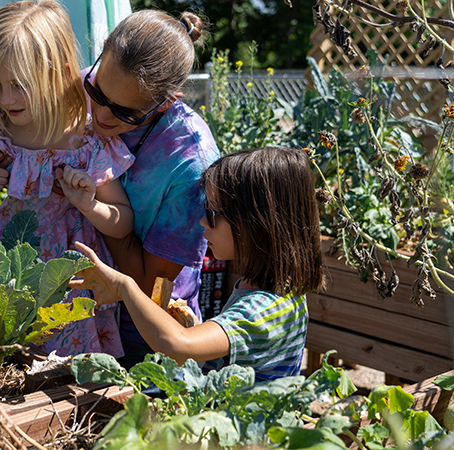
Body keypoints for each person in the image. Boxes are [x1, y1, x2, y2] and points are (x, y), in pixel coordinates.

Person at [0, 0, 133, 357]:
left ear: (58, 73)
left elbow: (122, 222)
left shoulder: (86, 135)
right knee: (11, 350)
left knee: (69, 366)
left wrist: (89, 204)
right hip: (12, 259)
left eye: (18, 85)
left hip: (72, 273)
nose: (5, 98)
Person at [72, 147, 323, 381]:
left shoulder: (261, 309)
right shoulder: (277, 290)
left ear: (256, 224)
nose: (203, 221)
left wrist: (124, 286)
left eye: (212, 214)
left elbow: (177, 346)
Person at [80, 9, 222, 368]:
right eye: (96, 91)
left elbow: (149, 285)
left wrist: (96, 206)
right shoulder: (87, 88)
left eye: (126, 113)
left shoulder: (190, 160)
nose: (101, 115)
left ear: (168, 100)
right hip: (76, 309)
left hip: (144, 329)